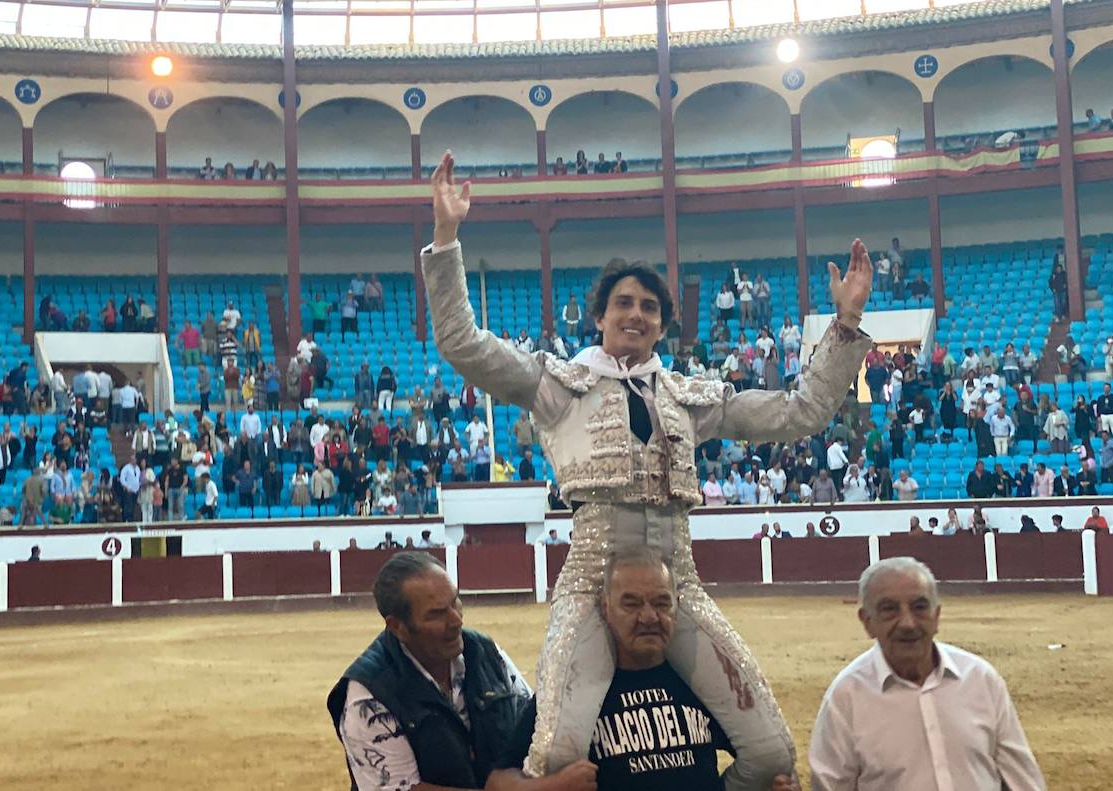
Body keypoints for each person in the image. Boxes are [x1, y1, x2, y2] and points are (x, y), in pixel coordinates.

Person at [422, 150, 871, 784]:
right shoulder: (559, 386)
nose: (636, 315)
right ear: (599, 316)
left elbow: (801, 412)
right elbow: (463, 344)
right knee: (556, 756)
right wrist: (446, 238)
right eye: (624, 304)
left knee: (771, 754)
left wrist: (846, 319)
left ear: (662, 324)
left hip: (676, 583)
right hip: (589, 582)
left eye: (649, 308)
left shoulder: (692, 398)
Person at [489, 545, 792, 791]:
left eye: (661, 603)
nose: (649, 616)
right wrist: (551, 786)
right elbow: (497, 782)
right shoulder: (571, 691)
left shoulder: (704, 683)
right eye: (631, 604)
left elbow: (758, 759)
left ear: (677, 605)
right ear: (605, 608)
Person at [808, 558, 1044, 790]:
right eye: (889, 609)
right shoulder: (845, 698)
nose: (908, 623)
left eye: (919, 607)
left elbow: (1023, 782)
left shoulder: (981, 680)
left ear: (937, 615)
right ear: (867, 622)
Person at [328, 552, 531, 790]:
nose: (456, 621)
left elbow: (532, 723)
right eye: (436, 614)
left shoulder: (485, 652)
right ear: (397, 626)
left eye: (455, 602)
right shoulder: (368, 696)